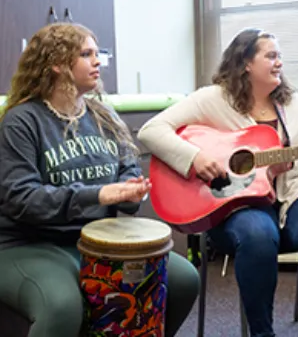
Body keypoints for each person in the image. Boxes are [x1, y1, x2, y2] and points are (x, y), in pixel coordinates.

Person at [137, 28, 298, 337]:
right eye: (271, 56)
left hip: (295, 194)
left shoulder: (297, 105)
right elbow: (150, 132)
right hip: (237, 204)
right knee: (258, 237)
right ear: (245, 62)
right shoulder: (213, 100)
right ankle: (263, 333)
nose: (279, 63)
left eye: (280, 56)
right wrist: (195, 157)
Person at [0, 23, 199, 337]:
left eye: (97, 54)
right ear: (56, 63)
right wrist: (100, 195)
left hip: (97, 241)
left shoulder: (103, 115)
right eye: (85, 54)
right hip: (29, 243)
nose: (97, 62)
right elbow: (22, 199)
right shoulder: (22, 121)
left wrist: (132, 191)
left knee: (184, 279)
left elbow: (128, 170)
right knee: (63, 305)